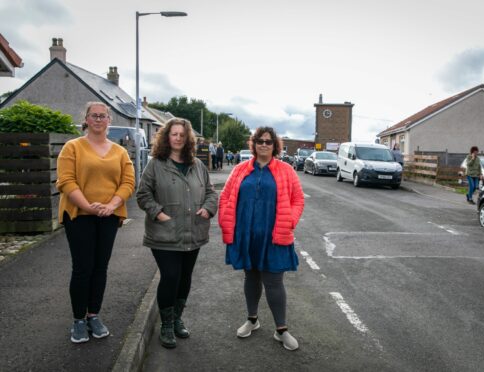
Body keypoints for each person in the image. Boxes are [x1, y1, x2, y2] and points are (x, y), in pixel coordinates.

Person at [219, 126, 304, 351]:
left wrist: (290, 221)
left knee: (274, 282)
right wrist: (226, 222)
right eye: (260, 141)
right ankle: (252, 319)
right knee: (251, 277)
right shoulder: (239, 169)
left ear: (275, 146)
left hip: (275, 234)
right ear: (254, 144)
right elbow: (225, 196)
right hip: (246, 235)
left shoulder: (286, 170)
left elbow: (298, 200)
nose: (264, 145)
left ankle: (281, 330)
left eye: (268, 141)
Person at [56, 102, 135, 344]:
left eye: (103, 116)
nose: (98, 119)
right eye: (94, 116)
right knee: (83, 268)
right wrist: (89, 206)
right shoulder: (72, 147)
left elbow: (128, 182)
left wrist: (111, 206)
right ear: (86, 120)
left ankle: (94, 315)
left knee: (101, 267)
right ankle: (78, 320)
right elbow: (66, 181)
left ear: (109, 120)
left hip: (109, 217)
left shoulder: (120, 152)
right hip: (79, 215)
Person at [137, 118, 217, 349]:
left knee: (185, 278)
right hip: (164, 234)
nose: (178, 138)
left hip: (193, 232)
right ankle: (166, 325)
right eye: (174, 134)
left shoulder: (198, 166)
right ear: (166, 137)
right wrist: (159, 213)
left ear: (188, 138)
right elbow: (143, 195)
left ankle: (177, 318)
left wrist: (208, 209)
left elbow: (211, 193)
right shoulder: (155, 165)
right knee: (170, 276)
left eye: (182, 134)